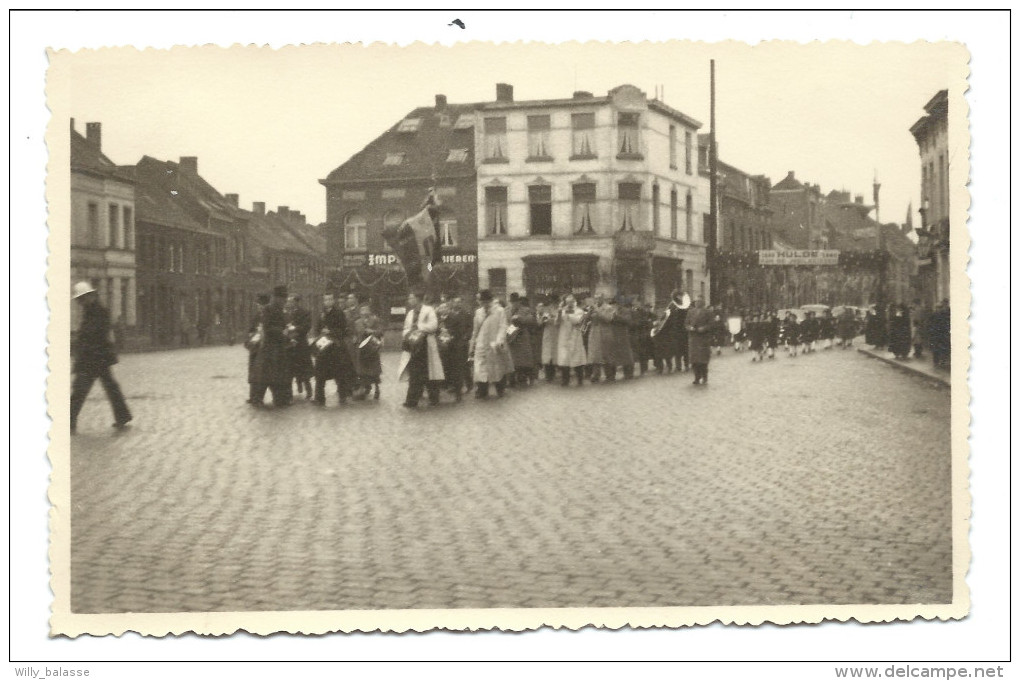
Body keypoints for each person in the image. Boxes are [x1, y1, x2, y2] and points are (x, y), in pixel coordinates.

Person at [70, 281, 132, 433]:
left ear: (90, 296)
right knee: (109, 388)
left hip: (94, 358)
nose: (81, 302)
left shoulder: (99, 312)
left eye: (82, 298)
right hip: (97, 358)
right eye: (80, 299)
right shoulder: (91, 311)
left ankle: (69, 421)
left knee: (80, 390)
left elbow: (94, 334)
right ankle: (123, 416)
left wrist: (79, 342)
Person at [398, 291, 445, 407]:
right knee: (414, 373)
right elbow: (406, 327)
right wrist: (408, 334)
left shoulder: (429, 310)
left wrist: (418, 328)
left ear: (418, 299)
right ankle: (412, 400)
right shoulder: (410, 313)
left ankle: (434, 398)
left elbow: (433, 326)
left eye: (411, 298)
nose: (409, 300)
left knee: (430, 372)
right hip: (414, 346)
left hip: (426, 345)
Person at [250, 285, 293, 407]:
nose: (285, 301)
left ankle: (280, 399)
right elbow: (268, 328)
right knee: (268, 376)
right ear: (277, 298)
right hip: (270, 348)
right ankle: (259, 398)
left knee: (274, 375)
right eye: (283, 298)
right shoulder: (269, 309)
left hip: (278, 348)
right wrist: (281, 332)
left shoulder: (280, 309)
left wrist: (287, 334)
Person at [311, 292, 353, 406]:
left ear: (333, 300)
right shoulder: (322, 313)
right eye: (326, 300)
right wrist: (319, 333)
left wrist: (330, 332)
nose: (327, 302)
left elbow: (343, 330)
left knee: (339, 373)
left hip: (335, 348)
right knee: (319, 373)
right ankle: (319, 397)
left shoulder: (339, 313)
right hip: (323, 347)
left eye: (330, 299)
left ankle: (342, 396)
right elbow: (317, 327)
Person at [468, 289, 511, 398]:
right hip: (481, 343)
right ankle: (482, 390)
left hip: (494, 343)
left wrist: (499, 340)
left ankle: (500, 389)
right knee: (480, 367)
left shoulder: (500, 310)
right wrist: (473, 342)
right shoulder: (478, 312)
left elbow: (503, 326)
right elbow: (475, 329)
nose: (480, 302)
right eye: (479, 300)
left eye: (481, 300)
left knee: (497, 367)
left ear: (488, 300)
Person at [555, 294, 587, 386]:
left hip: (575, 337)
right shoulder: (562, 310)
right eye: (567, 302)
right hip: (564, 337)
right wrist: (560, 312)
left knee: (577, 359)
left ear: (574, 301)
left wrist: (568, 314)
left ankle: (580, 379)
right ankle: (565, 380)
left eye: (571, 302)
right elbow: (556, 323)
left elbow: (578, 321)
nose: (569, 304)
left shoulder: (579, 310)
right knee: (564, 359)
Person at [286, 295, 314, 399]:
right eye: (289, 301)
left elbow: (306, 327)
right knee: (291, 368)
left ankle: (309, 390)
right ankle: (295, 387)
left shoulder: (305, 313)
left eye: (292, 301)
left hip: (301, 344)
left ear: (297, 302)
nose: (290, 303)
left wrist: (295, 329)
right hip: (290, 344)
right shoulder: (287, 313)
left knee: (304, 369)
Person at [353, 304, 383, 400]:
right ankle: (364, 388)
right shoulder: (357, 322)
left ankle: (377, 389)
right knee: (362, 370)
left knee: (374, 370)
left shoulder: (375, 320)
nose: (364, 312)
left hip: (372, 348)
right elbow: (356, 333)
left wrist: (372, 331)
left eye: (366, 310)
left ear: (369, 311)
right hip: (362, 349)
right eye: (362, 310)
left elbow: (380, 331)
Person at [506, 294, 537, 387]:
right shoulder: (506, 311)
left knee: (524, 360)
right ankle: (512, 380)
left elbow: (531, 320)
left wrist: (520, 319)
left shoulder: (526, 310)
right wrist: (508, 331)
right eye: (512, 302)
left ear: (519, 302)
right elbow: (505, 322)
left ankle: (525, 378)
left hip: (522, 337)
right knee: (512, 360)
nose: (514, 304)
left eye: (515, 302)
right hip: (511, 337)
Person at [245, 293, 270, 404]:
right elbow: (250, 329)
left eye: (261, 305)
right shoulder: (256, 316)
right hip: (255, 347)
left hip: (263, 348)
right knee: (253, 372)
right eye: (259, 305)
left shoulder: (269, 316)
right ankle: (252, 396)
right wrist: (252, 334)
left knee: (260, 373)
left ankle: (258, 397)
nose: (260, 307)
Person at [685, 297, 713, 385]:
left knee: (703, 360)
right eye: (696, 301)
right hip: (693, 339)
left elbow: (711, 324)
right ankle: (697, 377)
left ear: (703, 302)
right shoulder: (690, 312)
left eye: (699, 301)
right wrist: (689, 327)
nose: (697, 303)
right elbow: (686, 323)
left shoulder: (708, 312)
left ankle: (704, 377)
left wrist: (704, 328)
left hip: (703, 339)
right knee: (694, 360)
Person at [538, 296, 560, 382]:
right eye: (551, 302)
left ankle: (553, 372)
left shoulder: (559, 309)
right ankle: (548, 374)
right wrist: (544, 319)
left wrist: (554, 318)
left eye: (555, 302)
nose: (553, 304)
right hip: (547, 333)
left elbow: (560, 321)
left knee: (554, 352)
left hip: (556, 333)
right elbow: (540, 323)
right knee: (547, 353)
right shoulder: (545, 310)